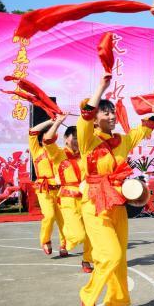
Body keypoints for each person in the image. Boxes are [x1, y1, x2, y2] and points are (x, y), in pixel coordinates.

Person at [78, 76, 154, 306]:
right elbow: (85, 116)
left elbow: (143, 130)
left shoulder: (121, 141)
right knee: (110, 254)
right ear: (95, 118)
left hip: (117, 203)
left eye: (113, 112)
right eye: (105, 113)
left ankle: (114, 299)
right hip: (94, 202)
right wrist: (101, 89)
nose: (112, 116)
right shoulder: (88, 141)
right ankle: (89, 293)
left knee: (120, 256)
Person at [43, 116, 93, 273]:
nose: (78, 141)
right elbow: (48, 139)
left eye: (80, 138)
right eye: (75, 138)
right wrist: (57, 122)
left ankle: (87, 260)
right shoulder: (58, 154)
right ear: (66, 139)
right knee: (79, 235)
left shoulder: (85, 154)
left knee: (91, 231)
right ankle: (65, 242)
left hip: (86, 196)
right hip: (67, 199)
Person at [28, 118, 67, 255]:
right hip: (43, 189)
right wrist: (51, 122)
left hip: (59, 188)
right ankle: (46, 240)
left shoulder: (59, 151)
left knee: (64, 218)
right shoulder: (36, 150)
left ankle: (64, 245)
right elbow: (32, 132)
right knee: (49, 216)